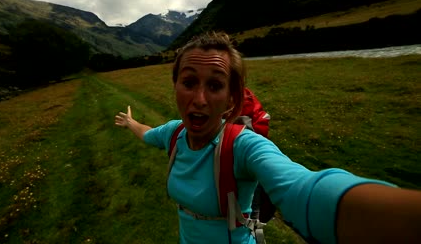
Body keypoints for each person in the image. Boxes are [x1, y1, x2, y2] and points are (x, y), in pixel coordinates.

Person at [115, 31, 421, 244]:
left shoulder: (243, 146)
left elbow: (302, 188)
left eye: (215, 85)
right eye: (189, 82)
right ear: (176, 86)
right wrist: (131, 122)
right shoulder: (174, 133)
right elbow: (148, 135)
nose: (199, 99)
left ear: (231, 99)